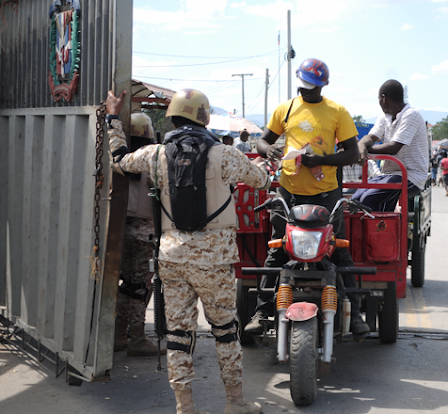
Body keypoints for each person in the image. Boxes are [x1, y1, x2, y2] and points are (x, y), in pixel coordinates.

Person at [107, 88, 267, 414]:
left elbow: (119, 160)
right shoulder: (225, 154)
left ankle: (185, 407)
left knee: (179, 335)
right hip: (215, 260)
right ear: (204, 117)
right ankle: (235, 402)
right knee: (225, 331)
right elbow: (261, 179)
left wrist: (112, 118)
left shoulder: (155, 154)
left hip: (172, 258)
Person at [244, 57, 370, 336]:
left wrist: (322, 160)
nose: (306, 91)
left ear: (323, 85)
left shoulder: (337, 112)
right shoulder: (285, 109)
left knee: (339, 252)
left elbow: (352, 153)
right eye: (303, 86)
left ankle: (357, 314)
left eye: (312, 87)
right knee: (277, 251)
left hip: (326, 197)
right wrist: (269, 150)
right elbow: (262, 140)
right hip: (288, 197)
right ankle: (261, 312)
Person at [113, 113, 166, 357]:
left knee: (124, 286)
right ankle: (137, 338)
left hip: (119, 231)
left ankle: (118, 335)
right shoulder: (149, 161)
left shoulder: (119, 161)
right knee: (140, 287)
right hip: (145, 233)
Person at [351, 79, 430, 212]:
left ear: (383, 98)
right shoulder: (385, 118)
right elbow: (370, 137)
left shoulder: (411, 115)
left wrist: (363, 150)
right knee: (356, 197)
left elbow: (394, 147)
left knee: (369, 199)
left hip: (411, 175)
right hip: (391, 174)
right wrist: (361, 145)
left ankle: (380, 231)